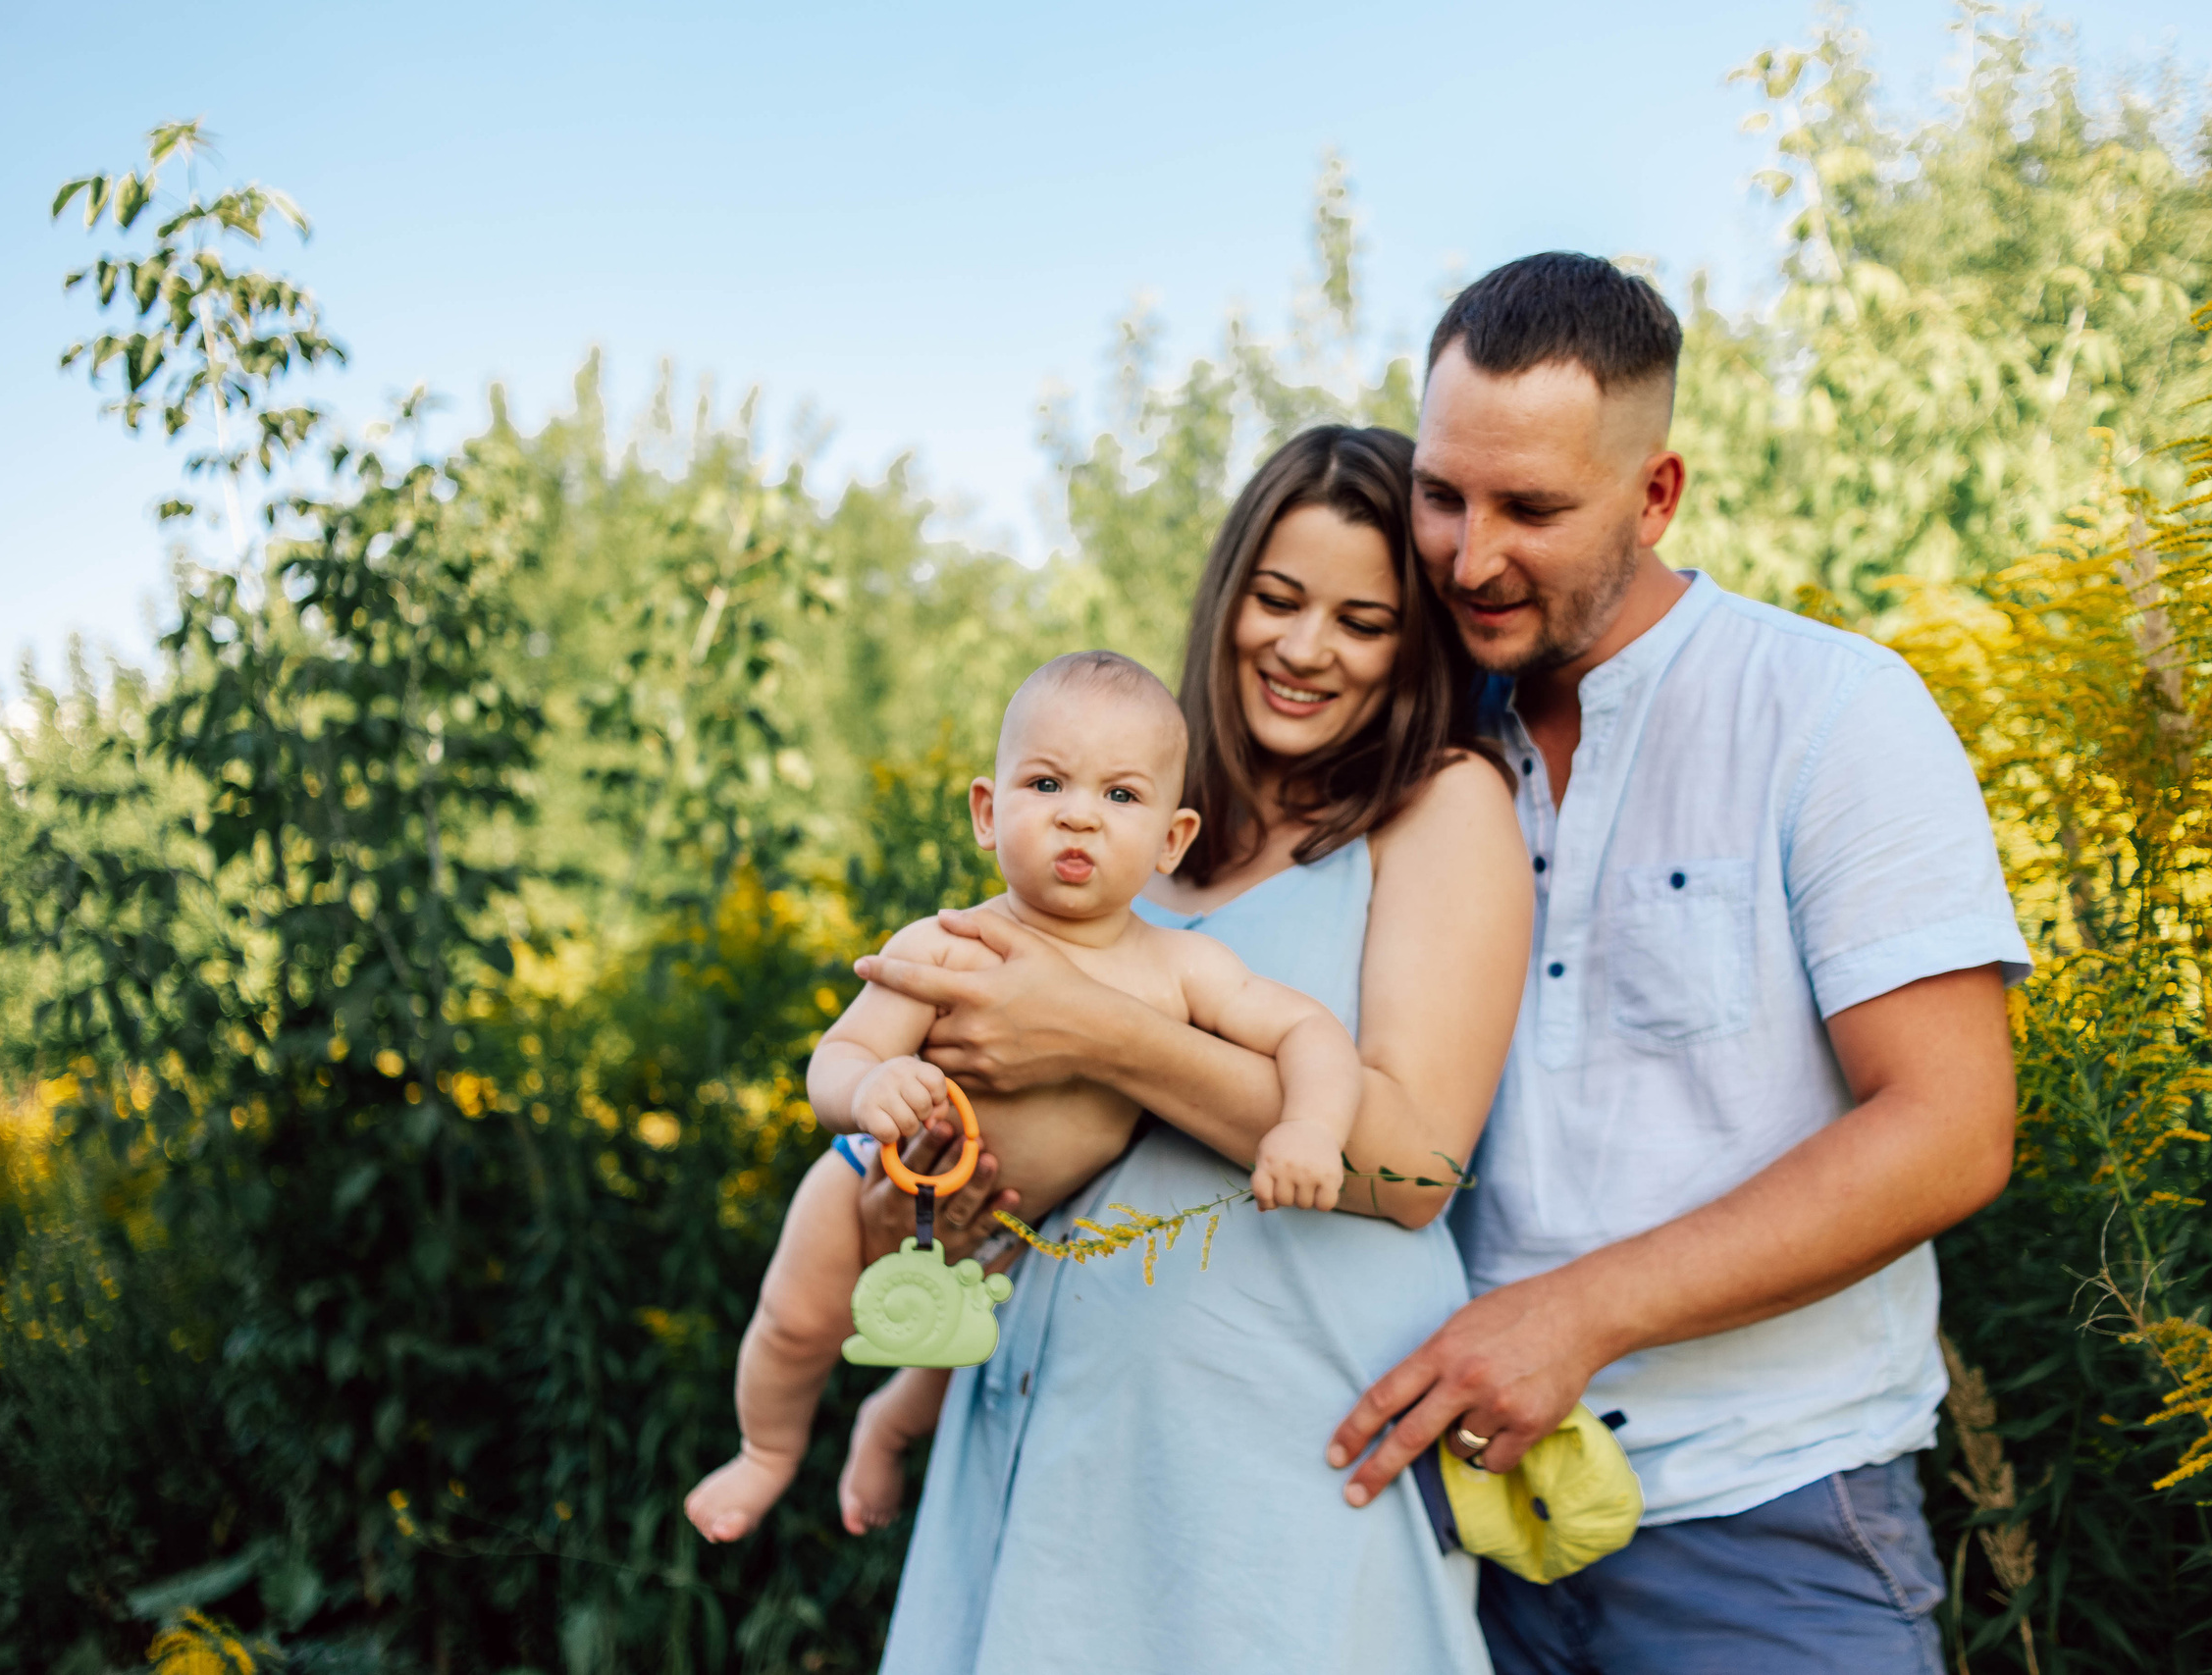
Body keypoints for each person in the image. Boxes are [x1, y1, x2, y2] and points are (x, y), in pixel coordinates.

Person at [1323, 253, 2029, 1673]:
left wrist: (1576, 1312)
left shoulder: (1831, 710)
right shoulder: (1390, 738)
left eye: (1532, 508)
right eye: (1444, 493)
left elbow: (1951, 1127)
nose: (1470, 556)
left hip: (1772, 1528)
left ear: (1655, 495)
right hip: (1450, 1529)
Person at [852, 425, 1534, 1673]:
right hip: (1043, 1428)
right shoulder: (1126, 821)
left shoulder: (1439, 804)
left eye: (1362, 620)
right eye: (1275, 599)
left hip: (1267, 1470)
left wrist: (1100, 1036)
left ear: (1415, 638)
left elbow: (1417, 1165)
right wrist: (939, 1201)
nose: (1303, 646)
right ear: (1227, 598)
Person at [681, 651, 1360, 1545]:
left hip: (1018, 1234)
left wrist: (1309, 1127)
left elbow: (1309, 1031)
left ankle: (886, 1423)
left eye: (1121, 796)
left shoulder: (1181, 968)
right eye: (1046, 783)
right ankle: (766, 1450)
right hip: (864, 1187)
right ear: (988, 811)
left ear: (1172, 838)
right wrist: (872, 1082)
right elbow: (837, 1057)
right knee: (799, 1321)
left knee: (948, 1361)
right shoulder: (954, 943)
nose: (1080, 812)